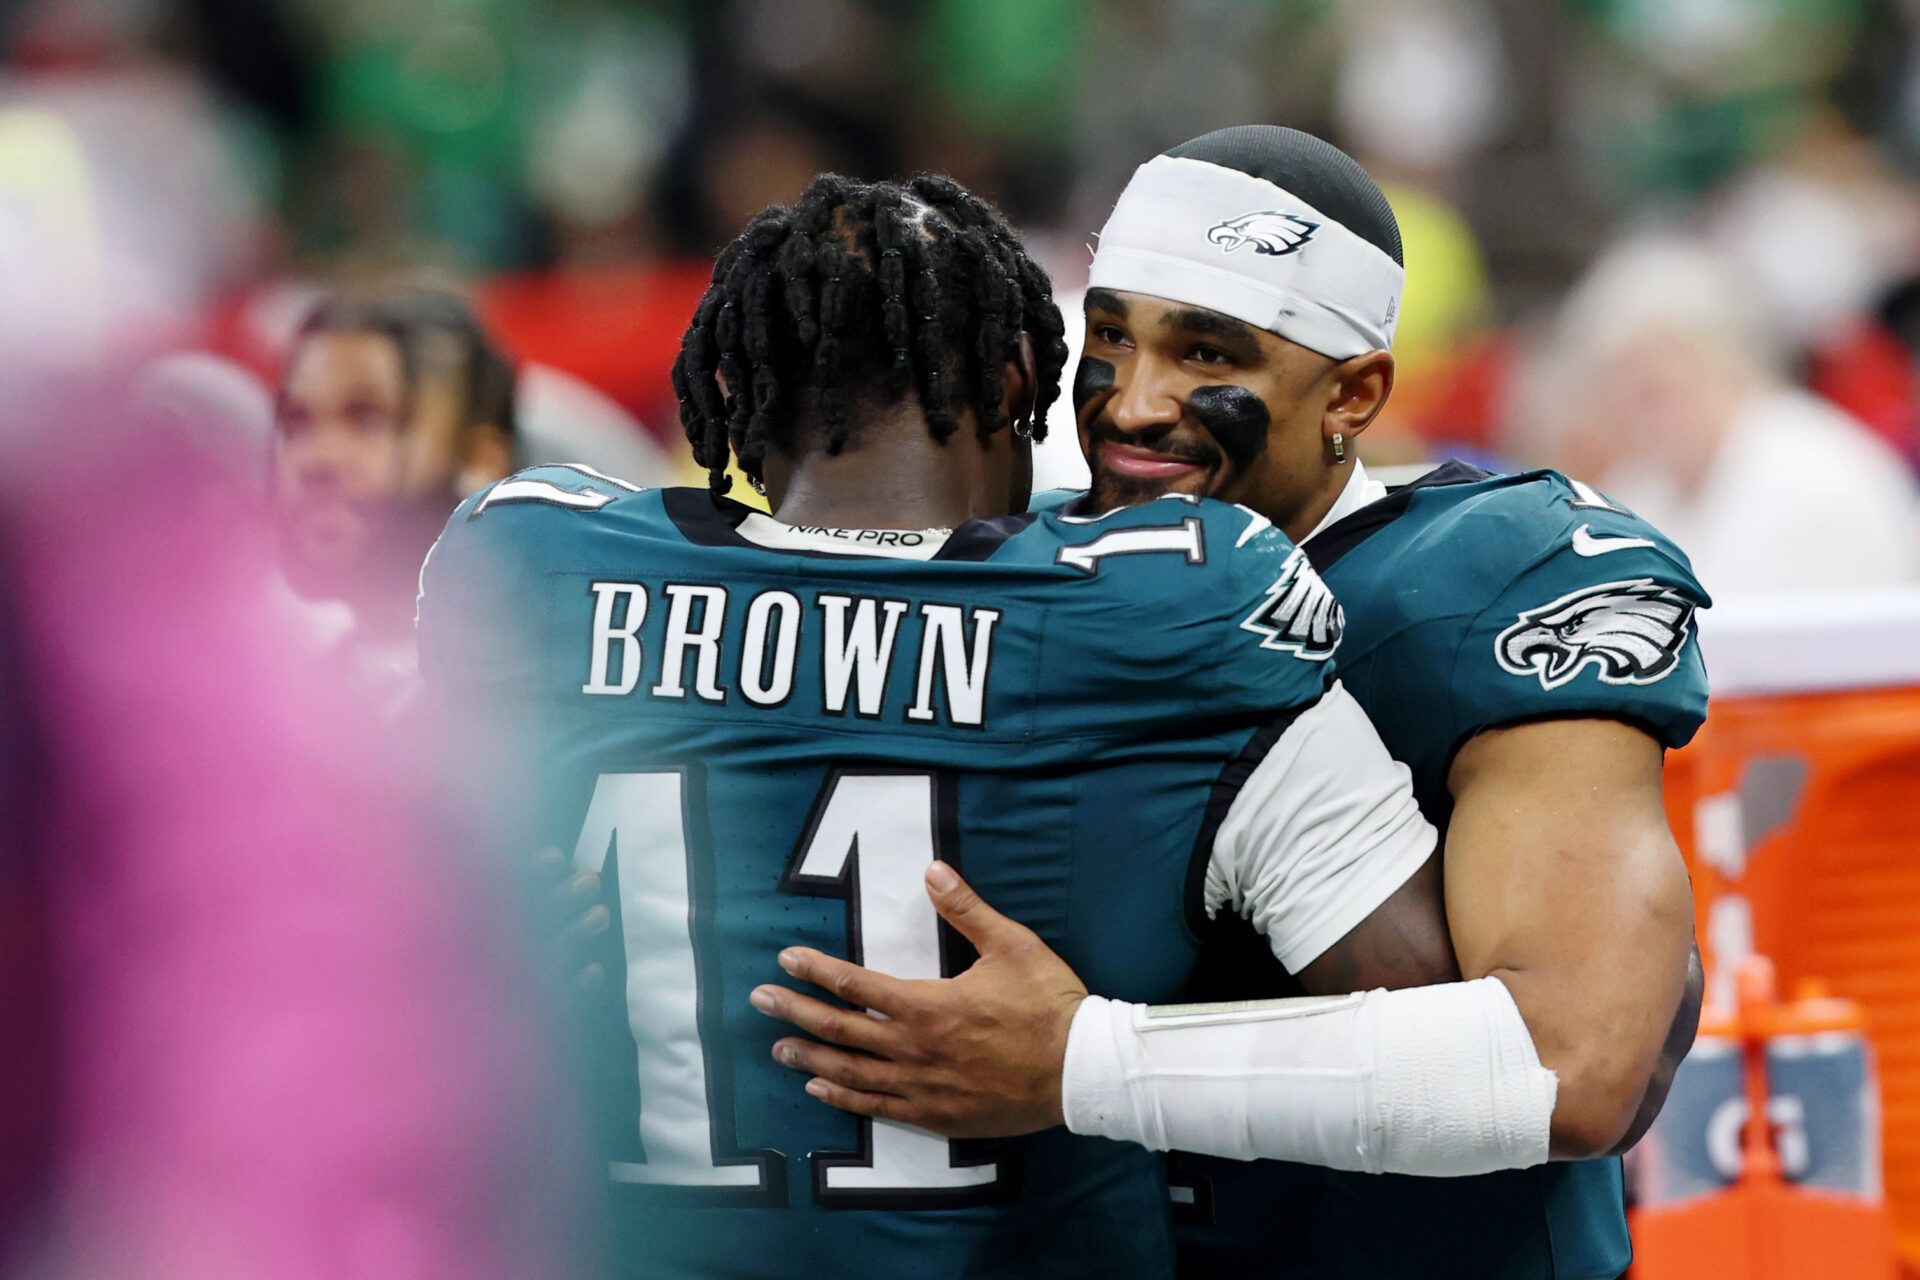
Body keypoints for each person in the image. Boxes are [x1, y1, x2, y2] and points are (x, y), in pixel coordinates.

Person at [416, 172, 1567, 1279]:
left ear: (732, 380)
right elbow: (1461, 1044)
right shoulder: (1171, 605)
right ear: (1022, 368)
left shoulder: (536, 556)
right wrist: (1095, 1057)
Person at [759, 128, 1707, 1280]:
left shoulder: (1501, 572)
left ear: (1352, 392)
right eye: (1111, 337)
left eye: (1209, 353)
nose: (1134, 405)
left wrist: (1081, 1062)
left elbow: (1580, 1060)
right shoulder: (1051, 572)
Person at [271, 288, 519, 711]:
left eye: (367, 421)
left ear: (482, 464)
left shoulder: (557, 710)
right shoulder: (273, 690)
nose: (315, 460)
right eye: (297, 422)